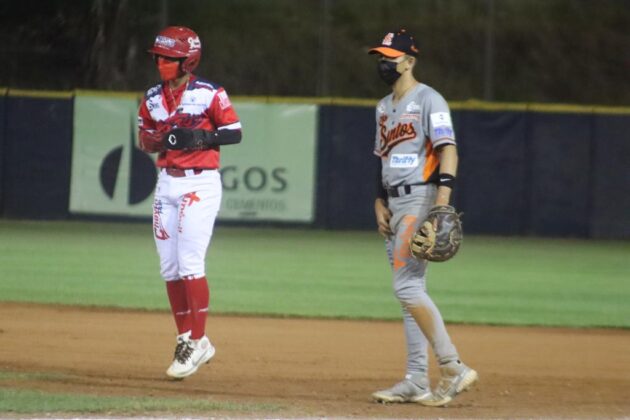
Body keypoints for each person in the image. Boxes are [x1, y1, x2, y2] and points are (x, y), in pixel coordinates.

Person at [368, 29, 478, 406]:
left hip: (420, 198)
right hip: (394, 203)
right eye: (380, 57)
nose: (384, 64)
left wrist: (441, 202)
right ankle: (416, 379)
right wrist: (379, 201)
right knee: (410, 292)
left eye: (390, 58)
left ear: (409, 61)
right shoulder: (383, 106)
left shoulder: (430, 99)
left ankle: (452, 365)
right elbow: (382, 158)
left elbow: (448, 149)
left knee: (407, 288)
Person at [137, 26, 242, 380]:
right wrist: (158, 139)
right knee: (169, 268)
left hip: (200, 182)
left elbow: (234, 132)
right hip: (166, 183)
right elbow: (144, 139)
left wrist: (197, 137)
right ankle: (186, 338)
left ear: (188, 60)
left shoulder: (209, 93)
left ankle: (198, 340)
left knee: (190, 263)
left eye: (169, 58)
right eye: (159, 57)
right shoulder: (153, 97)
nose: (161, 63)